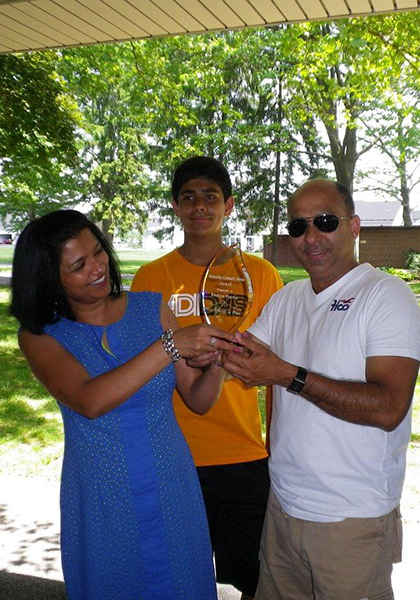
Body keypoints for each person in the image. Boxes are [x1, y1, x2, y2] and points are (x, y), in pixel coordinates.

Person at [9, 209, 236, 600]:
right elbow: (90, 400)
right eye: (78, 265)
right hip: (102, 494)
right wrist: (170, 346)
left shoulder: (151, 309)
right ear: (49, 279)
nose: (97, 267)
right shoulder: (41, 337)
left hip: (171, 484)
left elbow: (198, 400)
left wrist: (218, 363)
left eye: (98, 252)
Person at [221, 179, 420, 600]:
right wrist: (196, 346)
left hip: (350, 520)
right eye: (298, 227)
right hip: (283, 508)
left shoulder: (385, 295)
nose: (311, 236)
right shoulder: (287, 298)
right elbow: (240, 359)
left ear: (354, 226)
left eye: (325, 222)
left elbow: (389, 407)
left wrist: (288, 375)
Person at [131, 156, 283, 599]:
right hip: (172, 454)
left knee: (256, 577)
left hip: (243, 450)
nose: (200, 206)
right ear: (175, 206)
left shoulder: (259, 274)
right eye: (189, 197)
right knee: (178, 577)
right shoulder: (151, 277)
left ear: (228, 205)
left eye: (211, 197)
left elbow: (275, 367)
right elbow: (144, 367)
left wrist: (276, 443)